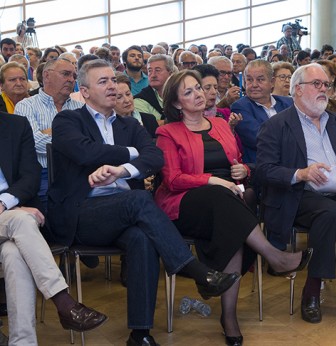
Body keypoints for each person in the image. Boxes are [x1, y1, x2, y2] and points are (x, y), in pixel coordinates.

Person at [47, 60, 240, 345]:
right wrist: (130, 153)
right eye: (103, 82)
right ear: (84, 92)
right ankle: (193, 269)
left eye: (114, 80)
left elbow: (154, 158)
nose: (112, 86)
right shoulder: (67, 121)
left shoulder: (130, 123)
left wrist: (122, 170)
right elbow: (86, 153)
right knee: (138, 199)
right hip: (83, 214)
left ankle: (140, 334)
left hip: (127, 214)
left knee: (142, 237)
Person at [155, 70, 311, 345]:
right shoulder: (167, 132)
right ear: (177, 103)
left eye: (198, 88)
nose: (198, 94)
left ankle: (229, 317)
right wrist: (214, 180)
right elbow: (172, 179)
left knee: (235, 221)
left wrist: (242, 171)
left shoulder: (221, 124)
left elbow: (237, 163)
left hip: (228, 201)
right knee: (223, 199)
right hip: (185, 203)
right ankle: (273, 255)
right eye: (188, 92)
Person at [256, 63, 336, 323]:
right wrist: (301, 173)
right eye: (316, 84)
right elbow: (263, 171)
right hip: (299, 194)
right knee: (329, 212)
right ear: (297, 90)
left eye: (326, 85)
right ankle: (312, 291)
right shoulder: (277, 125)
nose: (323, 90)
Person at [0, 112, 107, 344]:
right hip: (15, 216)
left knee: (13, 252)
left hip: (10, 212)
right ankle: (64, 302)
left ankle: (23, 342)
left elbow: (31, 176)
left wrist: (8, 203)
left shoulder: (16, 125)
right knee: (22, 221)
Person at [15, 57, 84, 207]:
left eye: (74, 76)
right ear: (46, 75)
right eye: (65, 74)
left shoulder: (80, 108)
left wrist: (50, 132)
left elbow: (91, 142)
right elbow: (34, 143)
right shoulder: (26, 106)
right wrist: (76, 141)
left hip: (79, 171)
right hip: (44, 173)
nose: (71, 80)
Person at [231, 60, 293, 164]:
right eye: (249, 80)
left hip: (293, 163)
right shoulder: (240, 107)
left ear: (272, 82)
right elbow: (260, 139)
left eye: (260, 80)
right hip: (263, 167)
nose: (254, 85)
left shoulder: (288, 103)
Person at [114, 74, 158, 138]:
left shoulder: (149, 120)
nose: (127, 100)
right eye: (119, 97)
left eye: (128, 94)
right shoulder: (109, 127)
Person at [134, 54, 176, 121]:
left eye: (157, 70)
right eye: (150, 70)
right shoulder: (140, 99)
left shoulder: (179, 94)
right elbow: (146, 127)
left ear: (170, 74)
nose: (153, 75)